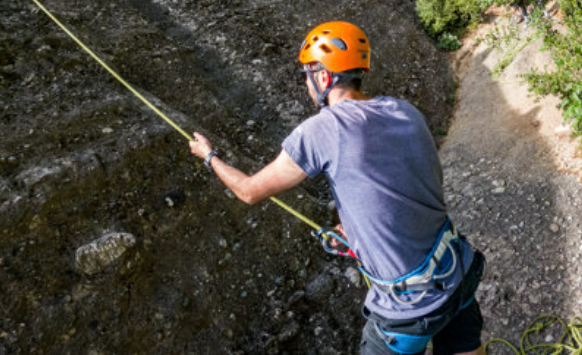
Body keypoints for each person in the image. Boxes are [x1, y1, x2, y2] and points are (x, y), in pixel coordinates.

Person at [189, 21, 485, 355]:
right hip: (457, 273)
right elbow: (409, 185)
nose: (305, 83)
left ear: (323, 76)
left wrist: (209, 155)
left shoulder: (322, 130)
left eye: (307, 74)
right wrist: (357, 229)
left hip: (410, 309)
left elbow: (248, 190)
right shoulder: (405, 111)